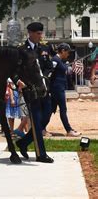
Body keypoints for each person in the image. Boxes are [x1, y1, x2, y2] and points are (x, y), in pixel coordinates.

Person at [15, 22, 54, 163]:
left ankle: (23, 142)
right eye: (38, 33)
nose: (40, 36)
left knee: (46, 117)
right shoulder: (21, 50)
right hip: (31, 91)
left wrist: (45, 78)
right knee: (37, 122)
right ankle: (41, 154)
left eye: (41, 33)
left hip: (44, 89)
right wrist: (18, 81)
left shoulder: (44, 48)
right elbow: (15, 70)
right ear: (30, 33)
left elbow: (49, 67)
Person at [49, 43, 81, 137]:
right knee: (63, 109)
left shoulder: (60, 60)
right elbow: (50, 72)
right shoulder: (55, 60)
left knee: (50, 110)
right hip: (57, 89)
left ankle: (42, 128)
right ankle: (69, 130)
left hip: (59, 88)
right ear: (63, 51)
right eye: (68, 52)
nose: (68, 54)